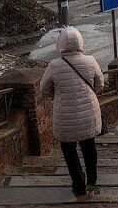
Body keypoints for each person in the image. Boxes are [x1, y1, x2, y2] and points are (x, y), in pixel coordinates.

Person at [39, 27, 103, 197]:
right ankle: (92, 181)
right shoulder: (91, 61)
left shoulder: (54, 65)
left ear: (59, 45)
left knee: (69, 150)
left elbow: (44, 90)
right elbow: (100, 84)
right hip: (89, 111)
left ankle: (79, 184)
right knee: (89, 147)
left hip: (64, 115)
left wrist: (59, 96)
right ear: (80, 42)